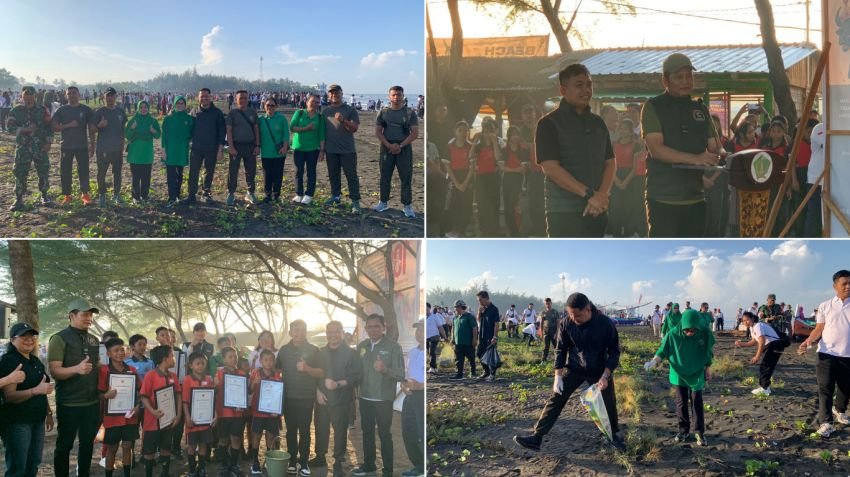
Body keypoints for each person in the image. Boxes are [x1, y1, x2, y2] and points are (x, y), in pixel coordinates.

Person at [513, 293, 624, 451]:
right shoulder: (567, 323)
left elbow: (614, 352)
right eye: (571, 314)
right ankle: (537, 437)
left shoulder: (604, 324)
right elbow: (560, 350)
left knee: (608, 403)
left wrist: (606, 376)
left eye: (577, 315)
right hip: (575, 368)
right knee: (556, 399)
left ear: (587, 309)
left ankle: (614, 435)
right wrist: (557, 377)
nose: (574, 318)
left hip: (599, 370)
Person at [641, 53, 722, 237]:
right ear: (665, 80)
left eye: (689, 76)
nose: (685, 81)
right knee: (664, 254)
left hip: (695, 196)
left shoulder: (700, 109)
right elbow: (657, 150)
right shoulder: (653, 107)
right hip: (663, 197)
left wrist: (724, 153)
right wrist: (696, 159)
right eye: (679, 77)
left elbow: (714, 147)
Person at [535, 64, 616, 237]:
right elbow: (551, 168)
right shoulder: (548, 124)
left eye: (589, 85)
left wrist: (601, 195)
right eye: (579, 85)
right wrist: (589, 195)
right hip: (564, 211)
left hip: (597, 208)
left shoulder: (598, 123)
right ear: (563, 90)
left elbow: (610, 162)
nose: (586, 90)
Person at [48, 299, 102, 477]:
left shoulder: (94, 340)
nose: (89, 318)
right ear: (72, 315)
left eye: (91, 315)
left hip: (91, 403)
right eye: (85, 314)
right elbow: (55, 371)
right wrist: (77, 369)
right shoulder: (59, 338)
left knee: (87, 444)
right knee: (64, 446)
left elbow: (99, 366)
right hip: (69, 403)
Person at [644, 309, 715, 446]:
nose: (690, 333)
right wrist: (654, 361)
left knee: (697, 401)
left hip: (697, 372)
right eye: (687, 330)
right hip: (678, 373)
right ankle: (684, 431)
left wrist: (708, 367)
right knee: (681, 402)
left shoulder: (704, 332)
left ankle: (699, 433)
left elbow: (708, 352)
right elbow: (663, 351)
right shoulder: (673, 334)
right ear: (682, 325)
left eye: (693, 330)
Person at [797, 269, 850, 437]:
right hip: (826, 353)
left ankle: (839, 410)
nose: (848, 286)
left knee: (845, 388)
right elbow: (819, 329)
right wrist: (808, 342)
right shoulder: (825, 305)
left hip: (848, 355)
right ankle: (826, 422)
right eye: (844, 284)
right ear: (835, 286)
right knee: (825, 388)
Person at [351, 314, 405, 477]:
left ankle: (387, 470)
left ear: (384, 327)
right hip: (365, 397)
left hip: (383, 399)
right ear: (366, 328)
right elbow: (356, 371)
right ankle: (369, 465)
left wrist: (384, 369)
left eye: (376, 326)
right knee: (366, 432)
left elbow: (401, 374)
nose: (373, 330)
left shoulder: (393, 347)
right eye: (370, 326)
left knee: (384, 434)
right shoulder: (362, 346)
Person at [0, 322, 55, 477]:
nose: (29, 339)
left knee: (33, 463)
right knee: (18, 468)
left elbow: (42, 389)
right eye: (23, 336)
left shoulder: (35, 361)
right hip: (17, 422)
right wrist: (35, 390)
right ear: (12, 340)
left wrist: (48, 412)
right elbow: (9, 397)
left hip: (37, 420)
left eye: (32, 336)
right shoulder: (9, 361)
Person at [275, 319, 324, 476]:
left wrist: (307, 368)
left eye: (302, 330)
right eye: (296, 330)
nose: (299, 333)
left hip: (306, 397)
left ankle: (303, 462)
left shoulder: (314, 350)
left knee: (304, 431)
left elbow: (321, 373)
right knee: (290, 431)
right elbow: (276, 370)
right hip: (288, 397)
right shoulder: (283, 350)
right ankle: (292, 461)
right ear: (290, 332)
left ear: (306, 332)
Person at [313, 320, 361, 475]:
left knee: (340, 431)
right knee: (321, 428)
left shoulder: (351, 353)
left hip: (341, 398)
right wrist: (317, 392)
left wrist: (338, 384)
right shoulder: (320, 352)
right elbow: (315, 375)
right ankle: (320, 456)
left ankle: (338, 459)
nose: (332, 335)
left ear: (341, 332)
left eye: (336, 331)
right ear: (326, 333)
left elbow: (357, 376)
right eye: (329, 332)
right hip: (322, 399)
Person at [97, 338, 140, 477]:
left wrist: (138, 406)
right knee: (112, 448)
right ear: (108, 354)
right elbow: (96, 395)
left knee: (128, 446)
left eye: (122, 349)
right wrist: (105, 396)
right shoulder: (103, 371)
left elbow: (141, 392)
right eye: (116, 350)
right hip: (111, 418)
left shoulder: (132, 370)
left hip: (130, 416)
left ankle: (127, 474)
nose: (120, 352)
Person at [374, 85, 419, 218]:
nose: (396, 97)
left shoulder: (410, 113)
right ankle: (383, 202)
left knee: (406, 177)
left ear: (403, 96)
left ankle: (407, 205)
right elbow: (378, 131)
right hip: (386, 147)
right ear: (389, 97)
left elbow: (415, 133)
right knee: (385, 175)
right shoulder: (383, 112)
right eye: (393, 95)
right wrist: (388, 145)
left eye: (399, 95)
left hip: (404, 148)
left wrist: (400, 145)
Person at [7, 86, 52, 211]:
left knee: (43, 171)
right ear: (22, 96)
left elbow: (49, 127)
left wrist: (48, 143)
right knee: (20, 173)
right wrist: (25, 130)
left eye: (30, 95)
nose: (28, 98)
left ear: (35, 96)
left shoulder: (42, 110)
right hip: (23, 147)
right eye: (25, 95)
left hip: (40, 147)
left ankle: (45, 195)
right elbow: (9, 128)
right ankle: (18, 199)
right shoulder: (16, 110)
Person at [139, 345, 182, 477]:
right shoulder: (150, 376)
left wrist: (178, 415)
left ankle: (165, 473)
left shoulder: (173, 376)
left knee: (166, 448)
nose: (174, 358)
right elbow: (143, 396)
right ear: (164, 359)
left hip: (169, 420)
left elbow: (178, 395)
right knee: (149, 451)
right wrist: (152, 411)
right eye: (172, 356)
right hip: (152, 422)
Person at [322, 84, 362, 213]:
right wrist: (321, 149)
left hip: (347, 150)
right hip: (331, 150)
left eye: (336, 92)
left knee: (351, 176)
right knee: (333, 175)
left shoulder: (350, 110)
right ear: (328, 95)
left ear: (341, 93)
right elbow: (322, 131)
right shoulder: (325, 111)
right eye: (331, 93)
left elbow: (354, 128)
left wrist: (343, 120)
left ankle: (355, 201)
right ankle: (335, 196)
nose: (334, 95)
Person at [52, 86, 94, 206]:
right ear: (66, 96)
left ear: (79, 95)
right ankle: (67, 195)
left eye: (74, 93)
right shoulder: (61, 110)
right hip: (66, 145)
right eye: (69, 93)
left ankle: (85, 194)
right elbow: (54, 127)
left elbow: (91, 128)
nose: (71, 95)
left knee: (84, 171)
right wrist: (68, 125)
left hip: (82, 145)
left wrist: (92, 144)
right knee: (65, 171)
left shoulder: (86, 109)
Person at [187, 88, 226, 204]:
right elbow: (188, 128)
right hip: (196, 148)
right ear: (198, 98)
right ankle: (191, 195)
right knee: (193, 171)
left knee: (209, 172)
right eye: (202, 96)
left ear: (210, 97)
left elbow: (221, 133)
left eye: (206, 96)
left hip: (211, 148)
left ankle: (206, 194)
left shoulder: (217, 113)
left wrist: (220, 150)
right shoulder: (194, 112)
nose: (204, 98)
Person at [91, 87, 128, 206]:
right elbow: (92, 129)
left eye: (112, 95)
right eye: (108, 95)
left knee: (117, 173)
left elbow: (123, 130)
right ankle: (102, 194)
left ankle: (116, 194)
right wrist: (100, 126)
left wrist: (123, 144)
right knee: (101, 173)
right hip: (103, 148)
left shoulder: (121, 112)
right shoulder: (99, 112)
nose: (110, 98)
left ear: (116, 97)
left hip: (117, 148)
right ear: (104, 97)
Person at [608, 118, 645, 237]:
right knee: (615, 206)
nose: (622, 131)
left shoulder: (637, 145)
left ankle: (629, 232)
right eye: (621, 128)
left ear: (630, 131)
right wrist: (616, 180)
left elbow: (636, 167)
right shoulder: (613, 145)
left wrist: (625, 182)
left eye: (625, 129)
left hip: (631, 178)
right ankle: (616, 232)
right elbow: (610, 164)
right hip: (615, 175)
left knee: (629, 206)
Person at [247, 349, 281, 475]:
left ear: (274, 361)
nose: (268, 362)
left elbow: (280, 393)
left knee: (271, 436)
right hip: (258, 412)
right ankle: (255, 461)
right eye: (266, 360)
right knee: (256, 435)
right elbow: (249, 391)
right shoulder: (256, 372)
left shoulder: (277, 374)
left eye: (271, 360)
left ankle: (269, 460)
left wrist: (277, 411)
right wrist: (254, 384)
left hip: (272, 412)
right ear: (261, 361)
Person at [213, 346, 246, 477]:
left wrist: (242, 404)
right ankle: (224, 465)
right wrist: (215, 385)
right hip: (222, 413)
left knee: (236, 439)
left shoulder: (242, 374)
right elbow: (214, 392)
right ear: (224, 359)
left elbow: (245, 393)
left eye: (235, 356)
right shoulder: (219, 374)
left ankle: (234, 464)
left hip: (238, 414)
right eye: (230, 357)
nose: (233, 359)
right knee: (223, 440)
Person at [735, 312, 785, 397]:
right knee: (766, 366)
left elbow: (762, 341)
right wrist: (742, 344)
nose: (745, 322)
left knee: (766, 366)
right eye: (743, 321)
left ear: (752, 318)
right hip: (771, 345)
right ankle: (765, 387)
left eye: (747, 320)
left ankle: (764, 389)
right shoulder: (752, 328)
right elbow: (754, 341)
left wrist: (757, 356)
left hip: (775, 344)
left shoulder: (758, 326)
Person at [225, 90, 260, 206]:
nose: (243, 100)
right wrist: (231, 147)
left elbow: (256, 129)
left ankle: (250, 192)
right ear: (236, 99)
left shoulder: (252, 112)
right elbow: (229, 131)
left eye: (245, 98)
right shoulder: (232, 113)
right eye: (241, 98)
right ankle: (231, 193)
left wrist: (257, 145)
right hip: (236, 145)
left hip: (250, 146)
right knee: (233, 170)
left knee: (251, 171)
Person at [182, 352, 215, 477]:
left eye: (203, 363)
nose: (200, 366)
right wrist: (187, 417)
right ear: (191, 365)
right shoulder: (187, 379)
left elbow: (212, 400)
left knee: (203, 445)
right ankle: (191, 469)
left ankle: (201, 468)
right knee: (192, 446)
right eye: (197, 363)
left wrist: (215, 415)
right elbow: (184, 401)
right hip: (193, 420)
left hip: (206, 420)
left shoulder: (209, 379)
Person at [289, 93, 325, 205]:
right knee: (298, 171)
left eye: (317, 102)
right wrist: (306, 128)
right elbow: (292, 128)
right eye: (312, 101)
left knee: (311, 172)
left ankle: (309, 195)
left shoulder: (319, 117)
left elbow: (322, 135)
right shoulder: (299, 113)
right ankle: (299, 194)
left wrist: (322, 151)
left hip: (313, 149)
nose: (315, 104)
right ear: (307, 102)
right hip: (299, 148)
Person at [401, 321, 425, 477]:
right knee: (408, 432)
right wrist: (404, 384)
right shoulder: (411, 352)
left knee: (421, 433)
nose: (419, 333)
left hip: (422, 396)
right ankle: (418, 465)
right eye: (417, 330)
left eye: (422, 330)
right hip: (409, 396)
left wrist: (422, 386)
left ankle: (424, 468)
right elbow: (406, 373)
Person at [125, 100, 161, 204]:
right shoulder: (133, 120)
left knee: (146, 177)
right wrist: (132, 128)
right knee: (135, 177)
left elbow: (158, 135)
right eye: (141, 107)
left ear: (148, 108)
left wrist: (152, 131)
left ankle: (145, 196)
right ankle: (136, 197)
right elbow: (127, 136)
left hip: (147, 154)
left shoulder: (152, 121)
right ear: (138, 108)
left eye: (145, 107)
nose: (143, 109)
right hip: (135, 154)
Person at [161, 96, 195, 207]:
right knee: (171, 175)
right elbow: (163, 137)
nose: (180, 105)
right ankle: (171, 197)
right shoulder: (168, 119)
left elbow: (193, 133)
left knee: (179, 175)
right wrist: (163, 150)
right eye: (178, 103)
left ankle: (177, 196)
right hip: (170, 150)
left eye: (182, 103)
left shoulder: (189, 119)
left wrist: (188, 142)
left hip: (182, 150)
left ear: (185, 105)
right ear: (174, 104)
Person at [443, 120, 474, 237]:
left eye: (465, 130)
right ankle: (451, 229)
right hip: (453, 177)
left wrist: (465, 183)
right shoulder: (450, 147)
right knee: (453, 205)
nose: (463, 133)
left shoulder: (471, 147)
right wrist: (456, 183)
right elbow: (447, 166)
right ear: (455, 132)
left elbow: (472, 167)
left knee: (466, 205)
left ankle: (462, 230)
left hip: (467, 177)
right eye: (460, 130)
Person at [258, 97, 290, 203]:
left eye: (272, 105)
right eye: (268, 105)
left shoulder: (282, 119)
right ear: (264, 106)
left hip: (279, 152)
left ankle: (276, 195)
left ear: (276, 107)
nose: (270, 107)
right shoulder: (261, 119)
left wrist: (285, 147)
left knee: (278, 174)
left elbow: (286, 134)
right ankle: (267, 194)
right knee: (267, 175)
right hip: (265, 152)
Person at [501, 126, 530, 237]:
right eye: (513, 134)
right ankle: (512, 231)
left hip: (519, 181)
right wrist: (515, 169)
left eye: (517, 134)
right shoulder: (504, 150)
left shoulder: (523, 150)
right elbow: (502, 168)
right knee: (508, 207)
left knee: (514, 205)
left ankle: (516, 232)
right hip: (507, 180)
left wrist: (517, 170)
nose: (515, 137)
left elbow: (524, 169)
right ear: (509, 136)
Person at [805, 122, 825, 237]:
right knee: (814, 215)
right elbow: (832, 142)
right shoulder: (818, 128)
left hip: (834, 179)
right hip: (815, 179)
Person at [476, 291, 500, 381]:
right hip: (482, 335)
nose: (479, 302)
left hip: (490, 336)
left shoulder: (494, 309)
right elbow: (478, 320)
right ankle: (486, 371)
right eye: (478, 300)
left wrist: (495, 337)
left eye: (480, 300)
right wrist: (479, 312)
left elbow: (497, 324)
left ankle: (492, 374)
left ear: (486, 298)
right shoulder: (482, 308)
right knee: (479, 353)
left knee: (490, 355)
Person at [426, 306, 447, 373]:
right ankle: (434, 367)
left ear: (429, 308)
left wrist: (445, 337)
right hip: (427, 338)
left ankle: (432, 367)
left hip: (434, 336)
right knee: (429, 352)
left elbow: (440, 327)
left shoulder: (434, 316)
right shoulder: (424, 318)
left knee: (432, 351)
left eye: (426, 308)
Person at [540, 298, 560, 362]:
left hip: (554, 332)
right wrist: (541, 333)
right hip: (546, 332)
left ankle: (558, 360)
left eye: (549, 303)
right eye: (546, 303)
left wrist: (557, 333)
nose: (548, 305)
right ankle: (543, 360)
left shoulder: (555, 312)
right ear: (545, 304)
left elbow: (558, 323)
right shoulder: (543, 313)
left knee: (556, 347)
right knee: (546, 347)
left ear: (551, 303)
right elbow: (541, 323)